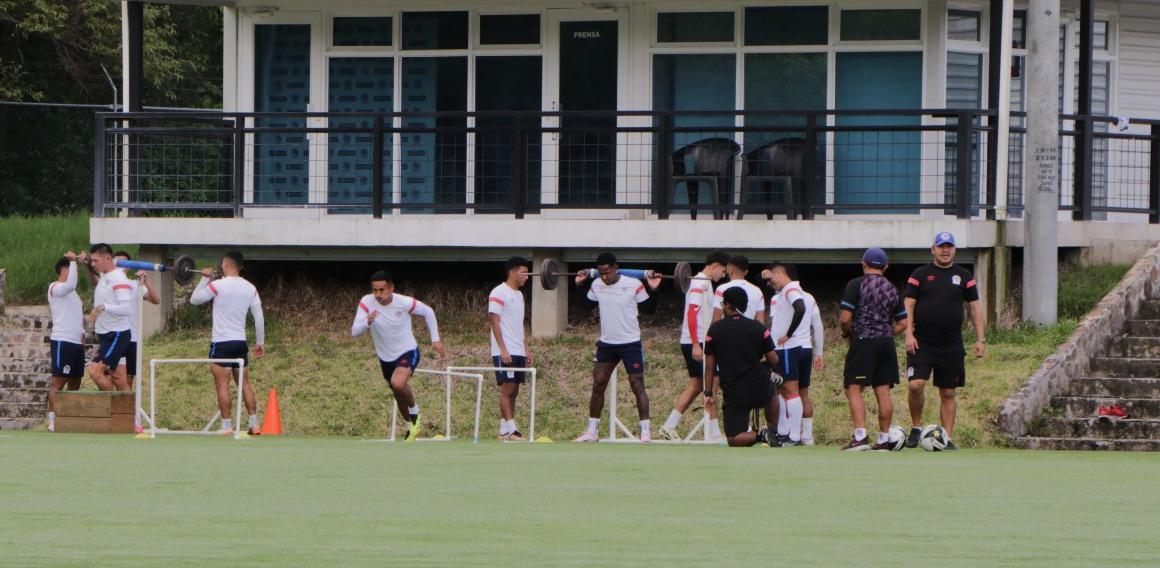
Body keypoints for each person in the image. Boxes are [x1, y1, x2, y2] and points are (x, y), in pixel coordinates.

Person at [903, 232, 985, 451]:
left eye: (949, 246)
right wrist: (908, 334)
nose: (945, 250)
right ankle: (916, 427)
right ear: (933, 249)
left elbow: (975, 307)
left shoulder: (964, 275)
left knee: (948, 392)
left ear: (955, 250)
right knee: (915, 385)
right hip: (922, 342)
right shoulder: (920, 274)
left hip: (951, 344)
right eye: (941, 246)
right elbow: (908, 305)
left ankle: (945, 437)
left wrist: (980, 339)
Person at [573, 252, 662, 443]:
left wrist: (653, 289)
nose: (604, 277)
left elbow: (650, 309)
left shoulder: (634, 284)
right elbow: (587, 306)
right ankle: (592, 431)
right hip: (607, 343)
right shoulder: (596, 284)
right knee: (598, 384)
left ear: (615, 268)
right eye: (601, 273)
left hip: (630, 342)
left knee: (637, 384)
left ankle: (645, 431)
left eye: (607, 272)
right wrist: (579, 285)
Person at [351, 270, 445, 442]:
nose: (378, 294)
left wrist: (435, 339)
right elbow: (354, 331)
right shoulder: (366, 302)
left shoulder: (404, 302)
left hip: (408, 350)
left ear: (391, 288)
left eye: (382, 290)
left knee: (398, 382)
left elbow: (428, 312)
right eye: (375, 290)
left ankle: (416, 413)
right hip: (385, 358)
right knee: (398, 393)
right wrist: (367, 322)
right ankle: (412, 426)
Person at [838, 248, 908, 452]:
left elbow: (845, 318)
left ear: (863, 263)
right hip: (886, 343)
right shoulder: (893, 289)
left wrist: (847, 333)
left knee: (853, 387)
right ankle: (884, 439)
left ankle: (860, 436)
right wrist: (886, 332)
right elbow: (903, 323)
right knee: (883, 390)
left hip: (863, 340)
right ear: (885, 267)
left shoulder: (856, 284)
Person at [190, 251, 265, 435]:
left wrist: (204, 280)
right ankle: (254, 425)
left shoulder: (217, 285)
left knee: (222, 384)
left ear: (226, 264)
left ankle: (226, 427)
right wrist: (260, 343)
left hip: (222, 343)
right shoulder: (250, 287)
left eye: (222, 263)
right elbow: (259, 317)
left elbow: (194, 299)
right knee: (244, 383)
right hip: (240, 343)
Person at [659, 250, 730, 442]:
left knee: (698, 385)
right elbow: (692, 313)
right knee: (711, 385)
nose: (722, 275)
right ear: (715, 265)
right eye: (723, 271)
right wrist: (696, 344)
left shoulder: (706, 284)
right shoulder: (699, 282)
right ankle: (714, 434)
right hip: (695, 342)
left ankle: (669, 425)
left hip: (698, 341)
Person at [703, 287, 782, 447]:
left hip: (734, 391)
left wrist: (708, 393)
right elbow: (774, 359)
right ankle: (773, 431)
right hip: (759, 385)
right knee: (772, 390)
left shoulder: (714, 330)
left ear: (728, 305)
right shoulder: (758, 328)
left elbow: (710, 367)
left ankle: (761, 435)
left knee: (733, 439)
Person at [763, 262, 815, 446]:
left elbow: (799, 307)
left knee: (790, 390)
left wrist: (788, 334)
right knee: (783, 389)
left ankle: (794, 436)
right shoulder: (783, 292)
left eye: (771, 279)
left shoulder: (791, 289)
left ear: (779, 273)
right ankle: (785, 432)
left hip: (788, 348)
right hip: (784, 349)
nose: (770, 283)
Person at [488, 257, 533, 441]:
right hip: (504, 351)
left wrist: (526, 348)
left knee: (514, 390)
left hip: (518, 350)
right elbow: (494, 321)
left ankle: (503, 430)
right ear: (513, 272)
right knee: (507, 389)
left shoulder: (520, 295)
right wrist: (503, 350)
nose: (527, 277)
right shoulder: (498, 292)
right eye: (524, 272)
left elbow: (519, 324)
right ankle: (512, 429)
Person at [86, 243, 134, 392]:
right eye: (91, 260)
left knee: (95, 371)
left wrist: (104, 307)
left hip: (117, 335)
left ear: (108, 258)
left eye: (95, 261)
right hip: (106, 334)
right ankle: (129, 415)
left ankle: (112, 410)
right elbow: (93, 266)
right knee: (119, 378)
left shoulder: (119, 279)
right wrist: (84, 261)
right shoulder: (104, 274)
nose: (93, 264)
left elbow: (127, 309)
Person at [47, 253, 85, 432]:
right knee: (58, 382)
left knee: (75, 382)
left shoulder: (74, 295)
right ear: (65, 269)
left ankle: (70, 419)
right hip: (62, 340)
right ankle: (53, 422)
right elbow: (71, 284)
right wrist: (73, 260)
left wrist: (82, 333)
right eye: (71, 268)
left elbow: (76, 316)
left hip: (76, 343)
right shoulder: (55, 287)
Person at [112, 251, 160, 391]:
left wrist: (146, 280)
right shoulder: (107, 282)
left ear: (128, 266)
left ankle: (127, 410)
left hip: (132, 337)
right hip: (114, 336)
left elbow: (156, 299)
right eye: (117, 262)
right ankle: (116, 409)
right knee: (112, 375)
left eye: (124, 263)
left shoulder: (134, 285)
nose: (120, 266)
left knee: (128, 377)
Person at [800, 292, 825, 445]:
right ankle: (808, 436)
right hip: (806, 349)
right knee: (803, 393)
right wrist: (819, 353)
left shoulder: (780, 297)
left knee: (785, 393)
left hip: (787, 349)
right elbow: (818, 326)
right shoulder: (809, 297)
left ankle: (789, 433)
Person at [712, 255, 765, 323]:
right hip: (750, 332)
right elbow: (760, 322)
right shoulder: (757, 291)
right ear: (746, 272)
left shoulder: (721, 289)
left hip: (728, 331)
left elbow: (716, 320)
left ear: (729, 269)